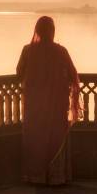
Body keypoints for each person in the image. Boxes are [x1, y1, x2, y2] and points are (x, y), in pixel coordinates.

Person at [16, 16, 81, 184]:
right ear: (52, 31)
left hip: (35, 105)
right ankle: (56, 177)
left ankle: (35, 177)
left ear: (37, 31)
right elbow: (73, 73)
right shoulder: (60, 51)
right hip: (56, 104)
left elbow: (19, 73)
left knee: (35, 137)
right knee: (55, 136)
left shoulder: (28, 50)